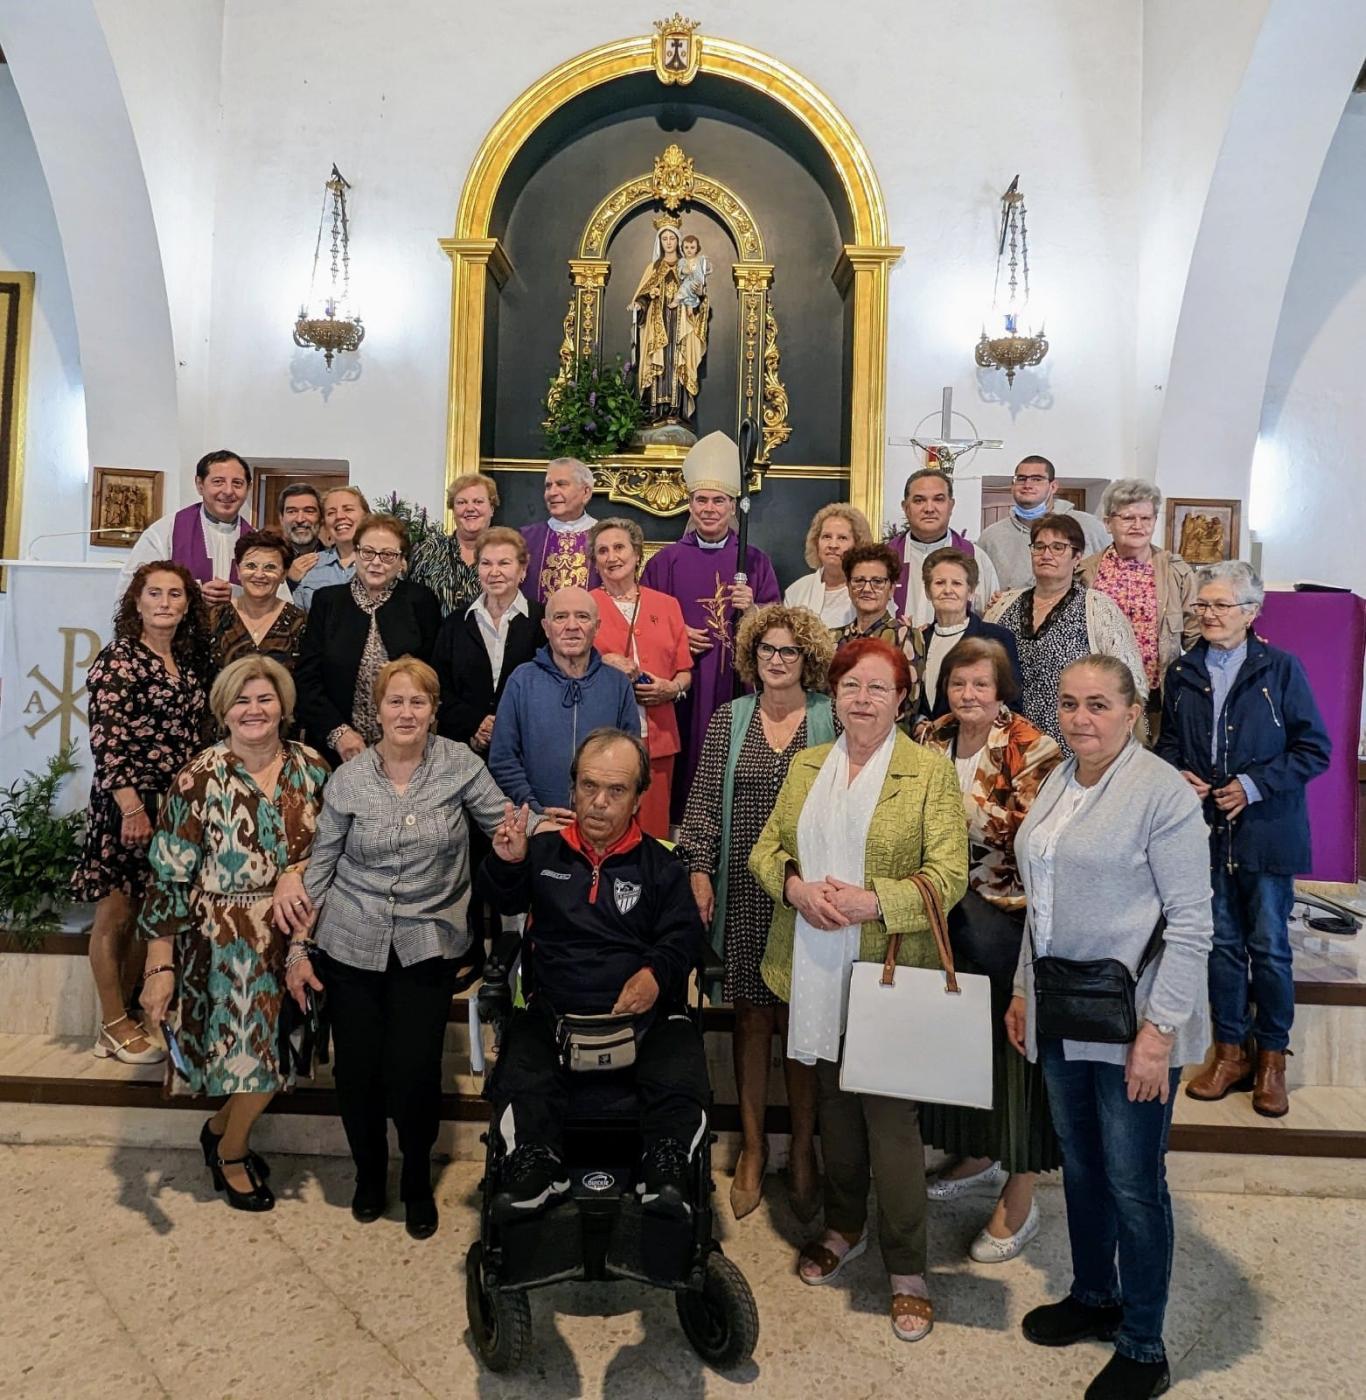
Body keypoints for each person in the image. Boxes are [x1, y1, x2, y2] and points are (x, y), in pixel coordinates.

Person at [1007, 655, 1213, 1400]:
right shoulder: (1061, 780)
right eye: (1068, 704)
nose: (1080, 718)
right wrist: (1024, 989)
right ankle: (1096, 1298)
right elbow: (1042, 902)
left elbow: (1193, 924)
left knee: (1133, 1181)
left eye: (1098, 704)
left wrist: (1159, 1035)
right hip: (1065, 1009)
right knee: (1085, 1168)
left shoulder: (1159, 794)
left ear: (1134, 711)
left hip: (1135, 1023)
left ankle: (1144, 1342)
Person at [752, 638, 968, 1343]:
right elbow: (765, 847)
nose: (864, 700)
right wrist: (793, 886)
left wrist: (877, 902)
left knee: (891, 1124)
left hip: (886, 966)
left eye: (879, 688)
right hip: (814, 964)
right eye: (851, 687)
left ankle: (907, 1267)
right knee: (836, 1113)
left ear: (903, 699)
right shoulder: (809, 762)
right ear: (834, 696)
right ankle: (846, 1227)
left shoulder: (928, 772)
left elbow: (948, 877)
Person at [280, 658, 513, 1237]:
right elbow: (324, 865)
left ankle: (414, 1176)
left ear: (434, 710)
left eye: (418, 702)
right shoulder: (350, 777)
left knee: (413, 1071)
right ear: (376, 710)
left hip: (428, 944)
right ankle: (368, 1172)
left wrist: (547, 833)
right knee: (358, 1072)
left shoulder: (460, 765)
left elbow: (506, 825)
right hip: (350, 943)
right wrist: (298, 947)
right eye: (395, 702)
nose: (406, 712)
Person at [480, 729, 710, 1221]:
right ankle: (537, 1163)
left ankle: (663, 1167)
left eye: (616, 790)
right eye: (588, 787)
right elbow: (503, 901)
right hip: (554, 1011)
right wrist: (507, 862)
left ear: (639, 798)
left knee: (680, 1057)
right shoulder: (542, 853)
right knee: (523, 1062)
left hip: (642, 1015)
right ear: (572, 789)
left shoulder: (661, 865)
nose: (599, 803)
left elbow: (684, 937)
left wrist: (655, 975)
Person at [138, 656, 328, 1212]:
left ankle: (221, 1128)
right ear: (223, 710)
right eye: (241, 700)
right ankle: (232, 1151)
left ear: (284, 707)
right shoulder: (198, 776)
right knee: (255, 1062)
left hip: (296, 937)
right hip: (220, 942)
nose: (254, 710)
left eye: (264, 699)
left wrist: (298, 875)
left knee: (279, 1056)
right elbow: (169, 874)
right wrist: (159, 965)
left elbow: (333, 849)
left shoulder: (312, 768)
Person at [677, 604, 835, 1222]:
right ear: (751, 655)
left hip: (809, 893)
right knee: (751, 1019)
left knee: (801, 1019)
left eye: (789, 651)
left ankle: (802, 1149)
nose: (776, 660)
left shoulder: (828, 716)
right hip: (743, 887)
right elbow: (702, 806)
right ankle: (750, 1147)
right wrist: (696, 868)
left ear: (808, 659)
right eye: (766, 649)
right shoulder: (730, 718)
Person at [1156, 562, 1330, 1119]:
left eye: (1219, 605)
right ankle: (1230, 1052)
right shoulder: (1181, 671)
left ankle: (1272, 1059)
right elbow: (1165, 746)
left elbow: (1313, 748)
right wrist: (1176, 773)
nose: (1206, 614)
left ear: (1251, 613)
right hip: (1205, 833)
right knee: (1222, 946)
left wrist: (1253, 786)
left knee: (1270, 948)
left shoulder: (1281, 669)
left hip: (1267, 831)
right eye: (1201, 605)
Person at [918, 638, 1062, 1262]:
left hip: (1010, 919)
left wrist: (940, 812)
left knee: (1013, 1050)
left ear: (1002, 690)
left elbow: (1022, 832)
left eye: (981, 685)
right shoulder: (929, 737)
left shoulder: (1035, 747)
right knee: (962, 1043)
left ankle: (1021, 1187)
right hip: (943, 914)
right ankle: (978, 1150)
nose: (968, 695)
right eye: (958, 684)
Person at [71, 562, 212, 1065]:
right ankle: (110, 1024)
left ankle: (133, 1014)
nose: (165, 603)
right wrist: (131, 807)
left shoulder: (185, 660)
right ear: (136, 601)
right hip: (129, 804)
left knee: (153, 910)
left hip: (173, 807)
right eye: (155, 593)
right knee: (116, 913)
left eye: (176, 594)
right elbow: (107, 742)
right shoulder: (120, 660)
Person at [640, 432, 781, 820]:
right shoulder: (664, 563)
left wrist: (753, 607)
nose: (709, 509)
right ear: (689, 504)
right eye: (701, 500)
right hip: (681, 687)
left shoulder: (753, 561)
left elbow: (779, 628)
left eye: (718, 500)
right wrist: (677, 634)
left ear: (733, 505)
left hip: (733, 683)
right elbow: (643, 623)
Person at [984, 513, 1145, 755]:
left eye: (1058, 547)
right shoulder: (1002, 606)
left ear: (1077, 557)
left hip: (1074, 748)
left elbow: (1132, 684)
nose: (1046, 554)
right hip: (1007, 748)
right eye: (1039, 546)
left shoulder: (1098, 609)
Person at [294, 513, 442, 766]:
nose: (376, 562)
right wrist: (338, 733)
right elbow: (307, 678)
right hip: (338, 749)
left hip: (406, 747)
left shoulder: (421, 601)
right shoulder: (327, 601)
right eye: (368, 552)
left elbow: (436, 674)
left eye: (388, 555)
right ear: (356, 553)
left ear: (401, 562)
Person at [487, 586, 638, 821]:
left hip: (603, 823)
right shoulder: (522, 680)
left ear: (596, 627)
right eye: (560, 617)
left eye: (582, 617)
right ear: (546, 628)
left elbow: (632, 761)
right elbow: (503, 758)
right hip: (537, 823)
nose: (571, 626)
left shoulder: (618, 685)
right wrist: (535, 810)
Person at [590, 517, 692, 837]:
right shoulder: (584, 605)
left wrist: (672, 688)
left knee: (653, 830)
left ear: (637, 554)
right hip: (603, 736)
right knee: (605, 823)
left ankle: (650, 888)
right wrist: (602, 661)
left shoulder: (668, 605)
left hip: (659, 738)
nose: (612, 557)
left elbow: (685, 671)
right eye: (602, 551)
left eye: (619, 547)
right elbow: (566, 665)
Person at [1079, 478, 1199, 738]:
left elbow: (1196, 636)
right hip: (1099, 695)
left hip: (1156, 698)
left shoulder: (1176, 572)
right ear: (1108, 522)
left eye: (1146, 518)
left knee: (1149, 767)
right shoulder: (1085, 572)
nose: (1138, 526)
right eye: (1128, 518)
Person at [433, 526, 543, 754]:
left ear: (522, 568)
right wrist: (476, 724)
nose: (494, 572)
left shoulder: (542, 621)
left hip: (526, 748)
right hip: (461, 749)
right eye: (486, 563)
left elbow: (547, 686)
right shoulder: (455, 623)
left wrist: (502, 728)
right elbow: (438, 687)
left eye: (504, 563)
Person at [118, 450, 253, 608]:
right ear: (200, 485)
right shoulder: (166, 531)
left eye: (237, 483)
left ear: (248, 488)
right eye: (218, 482)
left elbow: (277, 600)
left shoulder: (257, 541)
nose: (228, 491)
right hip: (179, 631)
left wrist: (237, 595)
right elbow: (132, 589)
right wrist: (193, 595)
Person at [915, 547, 1022, 722]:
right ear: (928, 591)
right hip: (923, 745)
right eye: (940, 583)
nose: (948, 590)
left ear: (970, 591)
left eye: (956, 583)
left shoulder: (996, 638)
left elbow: (1012, 705)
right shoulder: (918, 640)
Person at [977, 455, 1110, 589]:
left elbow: (1111, 574)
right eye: (1021, 479)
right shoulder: (991, 537)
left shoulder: (1089, 527)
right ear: (1012, 486)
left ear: (1053, 486)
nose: (1027, 485)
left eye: (1037, 479)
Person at [888, 468, 999, 625]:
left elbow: (990, 618)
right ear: (906, 507)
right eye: (919, 500)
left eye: (938, 499)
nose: (929, 508)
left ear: (951, 505)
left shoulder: (975, 557)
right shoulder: (885, 558)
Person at [832, 542, 924, 716]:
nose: (867, 588)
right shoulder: (832, 638)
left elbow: (910, 704)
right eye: (859, 580)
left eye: (877, 581)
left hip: (889, 736)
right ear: (848, 587)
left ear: (891, 589)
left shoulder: (905, 636)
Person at [209, 530, 307, 675]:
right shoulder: (214, 618)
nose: (259, 575)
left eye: (270, 567)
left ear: (283, 575)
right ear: (237, 570)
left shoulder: (299, 622)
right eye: (251, 566)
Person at [409, 470, 498, 617]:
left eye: (478, 502)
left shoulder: (504, 556)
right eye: (461, 502)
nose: (470, 508)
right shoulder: (428, 551)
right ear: (453, 509)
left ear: (492, 509)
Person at [519, 458, 600, 604]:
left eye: (561, 484)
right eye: (548, 486)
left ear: (586, 492)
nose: (552, 492)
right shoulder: (524, 538)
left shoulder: (604, 536)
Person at [782, 503, 874, 629]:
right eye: (826, 537)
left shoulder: (872, 591)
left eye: (842, 538)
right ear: (816, 542)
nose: (833, 545)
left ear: (858, 545)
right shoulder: (796, 591)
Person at [293, 485, 367, 611]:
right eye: (331, 512)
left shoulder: (383, 563)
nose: (339, 516)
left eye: (348, 509)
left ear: (366, 516)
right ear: (325, 523)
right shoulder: (309, 566)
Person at [277, 482, 324, 591]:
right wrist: (287, 580)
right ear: (281, 518)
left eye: (309, 511)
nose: (300, 519)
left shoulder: (336, 561)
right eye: (292, 511)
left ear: (321, 518)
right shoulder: (266, 559)